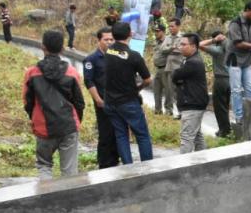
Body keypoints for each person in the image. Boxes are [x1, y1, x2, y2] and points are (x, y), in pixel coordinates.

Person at [23, 30, 86, 179]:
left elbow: (27, 102)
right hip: (68, 126)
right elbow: (79, 102)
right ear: (62, 49)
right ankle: (69, 200)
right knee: (69, 171)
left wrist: (35, 119)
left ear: (42, 47)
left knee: (44, 165)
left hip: (43, 128)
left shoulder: (32, 73)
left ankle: (47, 199)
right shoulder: (72, 72)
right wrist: (76, 121)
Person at [103, 21, 153, 164]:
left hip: (110, 102)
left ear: (113, 35)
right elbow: (148, 79)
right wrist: (138, 88)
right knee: (142, 135)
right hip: (128, 102)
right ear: (130, 34)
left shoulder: (107, 52)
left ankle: (127, 167)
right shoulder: (134, 56)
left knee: (121, 135)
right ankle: (147, 167)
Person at [82, 26, 121, 169]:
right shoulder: (91, 59)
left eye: (112, 39)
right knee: (105, 132)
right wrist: (98, 99)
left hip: (118, 101)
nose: (109, 42)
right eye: (106, 39)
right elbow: (89, 81)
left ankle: (115, 159)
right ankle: (104, 162)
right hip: (103, 101)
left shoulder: (117, 56)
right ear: (99, 41)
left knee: (118, 131)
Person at [225, 1, 251, 139]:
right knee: (236, 89)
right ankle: (240, 117)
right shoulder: (235, 23)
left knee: (250, 88)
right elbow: (238, 43)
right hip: (235, 59)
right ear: (247, 10)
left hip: (247, 60)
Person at [172, 33, 209, 153]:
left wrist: (178, 76)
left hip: (192, 103)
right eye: (180, 44)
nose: (180, 46)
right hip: (194, 102)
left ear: (193, 46)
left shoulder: (193, 62)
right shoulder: (189, 60)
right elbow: (178, 77)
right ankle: (204, 163)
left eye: (183, 44)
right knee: (196, 135)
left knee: (186, 136)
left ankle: (183, 168)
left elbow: (175, 75)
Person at [199, 30, 232, 138]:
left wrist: (213, 40)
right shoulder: (231, 45)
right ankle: (227, 129)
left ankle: (224, 131)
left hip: (221, 80)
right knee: (226, 106)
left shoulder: (218, 50)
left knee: (219, 107)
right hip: (233, 79)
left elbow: (199, 45)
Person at [160, 18, 185, 118]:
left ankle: (181, 112)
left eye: (172, 26)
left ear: (178, 26)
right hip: (169, 68)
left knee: (179, 91)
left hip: (178, 68)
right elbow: (162, 49)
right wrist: (171, 48)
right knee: (169, 90)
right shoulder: (168, 37)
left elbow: (181, 50)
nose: (170, 28)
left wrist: (170, 50)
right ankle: (169, 110)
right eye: (169, 26)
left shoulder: (183, 37)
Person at [150, 25, 171, 115]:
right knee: (156, 89)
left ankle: (168, 110)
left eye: (158, 31)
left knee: (168, 90)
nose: (156, 33)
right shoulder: (156, 42)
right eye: (155, 31)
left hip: (165, 67)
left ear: (163, 31)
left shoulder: (168, 41)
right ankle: (158, 109)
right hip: (158, 68)